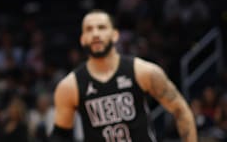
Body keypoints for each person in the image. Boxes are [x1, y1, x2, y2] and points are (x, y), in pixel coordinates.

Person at [51, 9, 197, 141]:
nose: (95, 33)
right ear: (82, 39)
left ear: (115, 35)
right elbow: (60, 135)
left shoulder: (143, 71)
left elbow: (181, 110)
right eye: (89, 29)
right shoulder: (69, 86)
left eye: (101, 27)